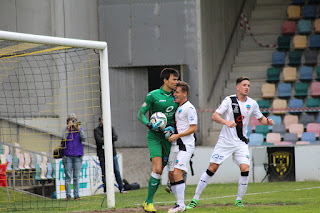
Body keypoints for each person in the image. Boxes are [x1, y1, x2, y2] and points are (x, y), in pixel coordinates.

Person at [186, 77, 274, 209]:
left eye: (248, 85)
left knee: (245, 168)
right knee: (212, 168)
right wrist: (226, 122)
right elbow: (215, 116)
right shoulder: (229, 100)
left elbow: (260, 118)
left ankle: (239, 200)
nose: (247, 87)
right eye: (244, 85)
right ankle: (195, 199)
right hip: (225, 142)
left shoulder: (253, 103)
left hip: (241, 142)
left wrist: (268, 121)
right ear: (238, 87)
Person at [137, 68, 179, 212]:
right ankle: (149, 202)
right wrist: (149, 124)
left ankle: (178, 200)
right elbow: (140, 114)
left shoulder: (177, 96)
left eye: (177, 79)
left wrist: (173, 128)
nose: (176, 82)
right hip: (154, 136)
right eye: (174, 79)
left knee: (165, 169)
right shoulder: (153, 95)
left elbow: (179, 117)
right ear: (165, 80)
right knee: (157, 168)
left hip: (169, 137)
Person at [167, 81, 197, 212]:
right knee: (171, 175)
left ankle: (180, 205)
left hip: (185, 145)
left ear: (185, 93)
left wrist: (177, 136)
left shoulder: (189, 108)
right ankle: (178, 203)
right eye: (175, 92)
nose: (175, 94)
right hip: (176, 145)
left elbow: (194, 128)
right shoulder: (179, 107)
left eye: (177, 92)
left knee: (177, 172)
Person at [94, 116, 127, 194]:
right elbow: (99, 141)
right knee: (104, 172)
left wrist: (105, 138)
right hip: (102, 154)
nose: (104, 121)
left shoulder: (110, 127)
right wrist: (108, 138)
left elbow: (115, 137)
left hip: (112, 153)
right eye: (102, 120)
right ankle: (106, 190)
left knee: (117, 171)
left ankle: (121, 188)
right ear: (100, 121)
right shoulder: (96, 130)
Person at [62, 114, 87, 201]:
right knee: (68, 176)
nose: (73, 122)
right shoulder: (66, 130)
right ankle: (68, 195)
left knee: (76, 176)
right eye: (71, 120)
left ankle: (76, 195)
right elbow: (63, 138)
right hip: (67, 155)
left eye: (74, 120)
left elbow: (84, 138)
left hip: (78, 155)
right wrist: (68, 129)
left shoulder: (79, 129)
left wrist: (79, 130)